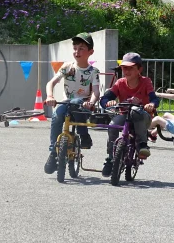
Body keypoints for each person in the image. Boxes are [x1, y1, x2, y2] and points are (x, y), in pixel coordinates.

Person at [43, 33, 100, 174]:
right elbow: (51, 83)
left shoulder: (93, 71)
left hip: (83, 106)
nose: (77, 52)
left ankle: (84, 135)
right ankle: (53, 152)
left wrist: (91, 102)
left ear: (90, 52)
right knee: (56, 116)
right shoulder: (67, 67)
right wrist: (50, 95)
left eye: (81, 48)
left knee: (76, 102)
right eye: (75, 48)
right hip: (67, 103)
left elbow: (96, 92)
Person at [99, 52, 159, 177]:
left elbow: (154, 98)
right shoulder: (120, 83)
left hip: (143, 117)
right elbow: (105, 99)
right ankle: (110, 158)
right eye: (124, 68)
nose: (126, 71)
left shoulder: (146, 81)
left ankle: (143, 144)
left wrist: (152, 105)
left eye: (130, 68)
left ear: (139, 69)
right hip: (125, 116)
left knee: (135, 111)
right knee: (112, 125)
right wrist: (107, 102)